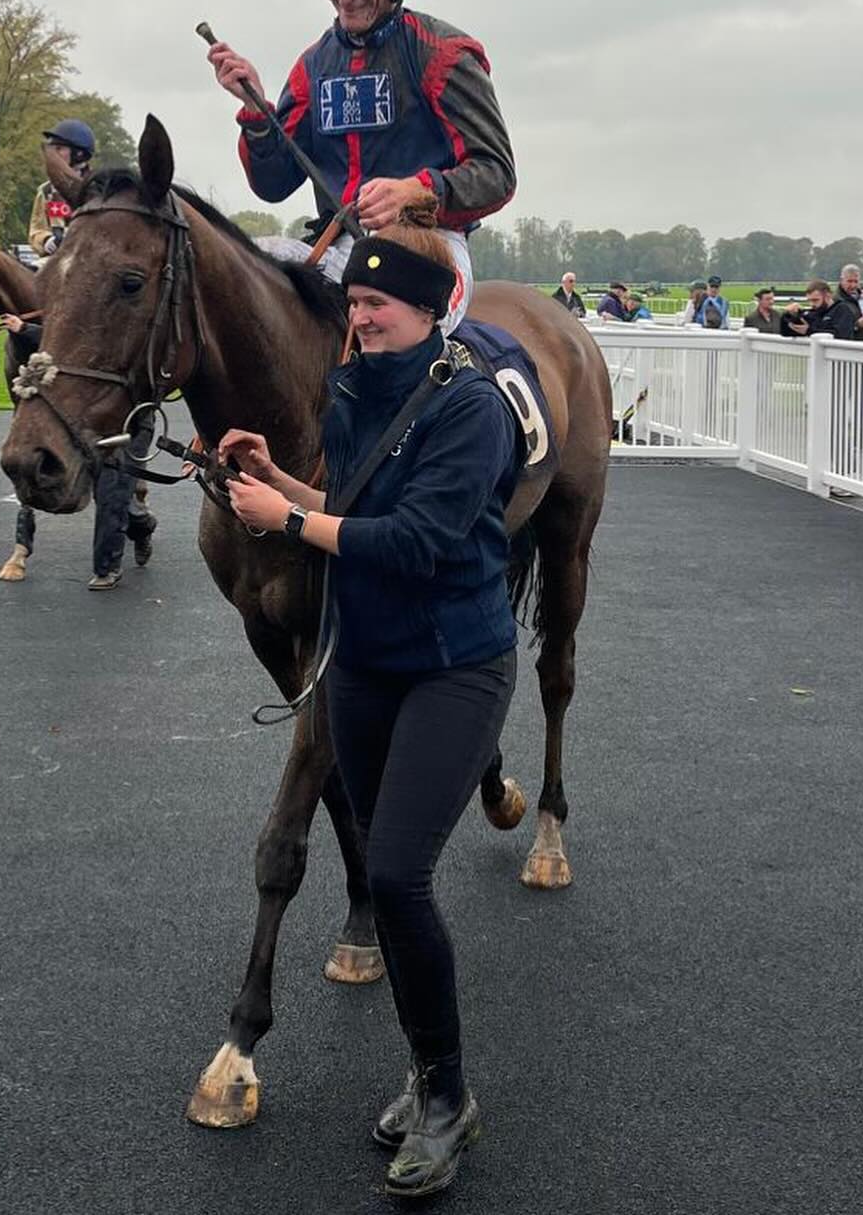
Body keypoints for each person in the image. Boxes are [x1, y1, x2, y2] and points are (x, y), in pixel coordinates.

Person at [217, 211, 522, 1200]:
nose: (360, 318)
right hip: (365, 666)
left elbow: (418, 541)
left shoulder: (472, 411)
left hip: (455, 665)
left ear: (431, 312)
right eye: (352, 303)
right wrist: (274, 477)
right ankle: (426, 1071)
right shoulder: (351, 390)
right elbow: (349, 501)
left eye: (377, 303)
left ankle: (448, 1096)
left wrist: (292, 518)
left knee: (396, 874)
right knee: (380, 859)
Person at [206, 0, 515, 335]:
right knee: (238, 271)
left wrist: (418, 191)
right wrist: (256, 111)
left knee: (389, 310)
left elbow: (497, 174)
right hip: (335, 248)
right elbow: (273, 185)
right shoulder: (312, 67)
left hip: (431, 246)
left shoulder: (444, 55)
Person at [0, 311, 157, 587]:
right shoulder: (90, 326)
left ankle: (124, 548)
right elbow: (63, 339)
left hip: (133, 419)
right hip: (92, 418)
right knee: (107, 490)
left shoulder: (138, 329)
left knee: (116, 491)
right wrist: (23, 328)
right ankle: (124, 545)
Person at [28, 119, 96, 264]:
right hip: (55, 260)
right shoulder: (46, 191)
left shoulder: (100, 189)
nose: (53, 155)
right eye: (52, 149)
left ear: (79, 154)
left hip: (91, 261)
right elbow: (35, 231)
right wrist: (46, 241)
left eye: (59, 149)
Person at [781, 279, 860, 340]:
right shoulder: (812, 313)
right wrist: (789, 314)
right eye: (809, 300)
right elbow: (786, 332)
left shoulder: (842, 310)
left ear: (828, 295)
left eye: (815, 300)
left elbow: (840, 335)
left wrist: (809, 331)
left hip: (839, 358)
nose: (812, 304)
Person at [835, 263, 863, 341]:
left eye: (856, 281)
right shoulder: (836, 301)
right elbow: (836, 329)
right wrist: (856, 325)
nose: (853, 285)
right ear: (841, 280)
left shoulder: (862, 299)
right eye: (849, 281)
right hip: (847, 348)